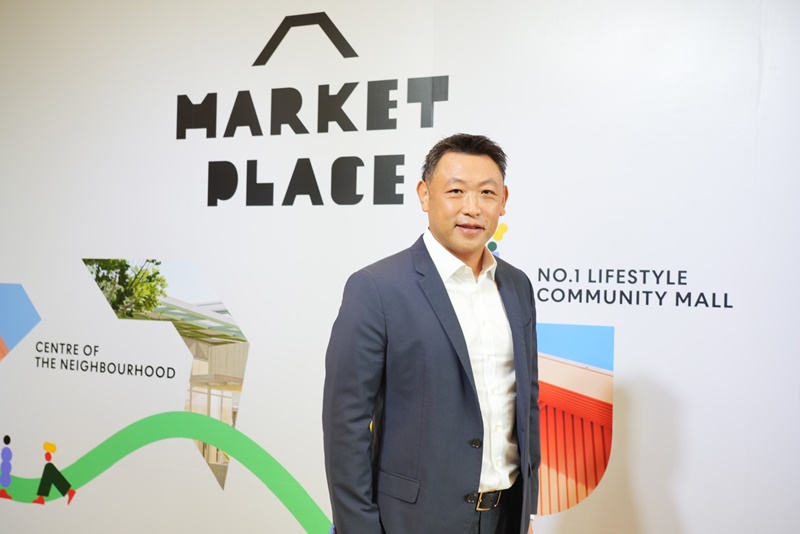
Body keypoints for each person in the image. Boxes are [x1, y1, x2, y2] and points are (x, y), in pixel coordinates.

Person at [323, 133, 540, 534]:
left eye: (487, 193)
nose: (472, 208)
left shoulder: (517, 286)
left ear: (504, 200)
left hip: (505, 516)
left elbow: (525, 403)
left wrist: (526, 508)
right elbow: (346, 424)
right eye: (456, 191)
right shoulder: (377, 288)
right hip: (411, 521)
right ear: (424, 195)